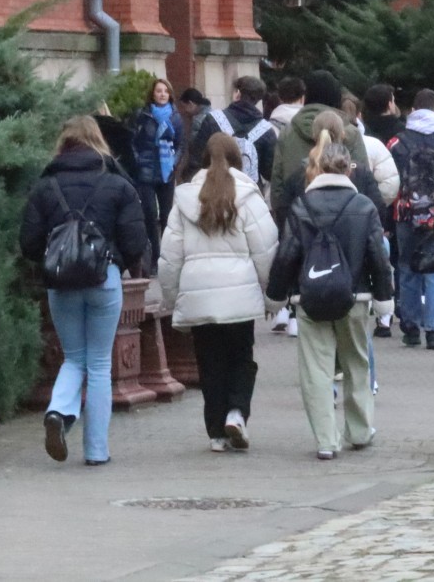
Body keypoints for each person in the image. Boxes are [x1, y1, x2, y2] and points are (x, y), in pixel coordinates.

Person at [19, 116, 148, 465]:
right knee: (100, 363)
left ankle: (59, 411)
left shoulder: (45, 187)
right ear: (97, 142)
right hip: (103, 278)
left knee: (74, 357)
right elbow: (136, 240)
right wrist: (116, 262)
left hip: (60, 282)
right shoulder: (117, 184)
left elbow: (29, 242)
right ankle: (96, 451)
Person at [265, 126, 394, 460]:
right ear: (349, 169)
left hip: (310, 298)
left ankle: (326, 439)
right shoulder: (364, 206)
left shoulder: (301, 205)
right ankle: (360, 430)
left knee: (316, 370)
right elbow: (378, 256)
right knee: (356, 364)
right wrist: (384, 298)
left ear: (318, 168)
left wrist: (276, 295)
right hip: (355, 297)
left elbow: (287, 253)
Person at [159, 133, 278, 452]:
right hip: (240, 297)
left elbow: (170, 257)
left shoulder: (183, 199)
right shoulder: (249, 198)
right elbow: (265, 251)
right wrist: (271, 297)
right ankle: (237, 413)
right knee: (241, 357)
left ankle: (215, 432)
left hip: (199, 297)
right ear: (238, 159)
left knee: (209, 363)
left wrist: (172, 300)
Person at [271, 112, 389, 337]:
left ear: (314, 135)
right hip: (355, 282)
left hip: (310, 282)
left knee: (317, 357)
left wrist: (278, 293)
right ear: (343, 134)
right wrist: (383, 293)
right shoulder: (360, 173)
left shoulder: (299, 175)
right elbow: (378, 214)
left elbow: (286, 224)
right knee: (357, 356)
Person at [388, 89, 434, 350]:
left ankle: (411, 327)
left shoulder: (397, 142)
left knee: (406, 267)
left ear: (413, 110)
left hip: (406, 213)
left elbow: (389, 180)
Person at [269, 69, 370, 220]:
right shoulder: (351, 133)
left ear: (305, 97)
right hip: (347, 219)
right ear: (336, 97)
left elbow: (277, 186)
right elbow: (363, 180)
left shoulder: (287, 133)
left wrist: (284, 221)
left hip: (298, 218)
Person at [358, 84, 401, 337]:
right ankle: (387, 309)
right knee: (386, 257)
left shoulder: (363, 135)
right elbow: (390, 180)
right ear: (389, 103)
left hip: (362, 204)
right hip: (386, 205)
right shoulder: (398, 132)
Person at [187, 75, 278, 190]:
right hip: (249, 192)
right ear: (259, 99)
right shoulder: (266, 130)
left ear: (238, 93)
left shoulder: (213, 119)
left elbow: (196, 160)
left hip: (215, 190)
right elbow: (269, 171)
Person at [130, 78, 183, 262]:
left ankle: (167, 256)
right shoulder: (143, 115)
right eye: (159, 91)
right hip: (145, 170)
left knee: (167, 215)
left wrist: (174, 163)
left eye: (165, 91)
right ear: (153, 94)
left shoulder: (175, 117)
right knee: (150, 215)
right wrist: (138, 161)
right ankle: (153, 256)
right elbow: (133, 141)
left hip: (166, 171)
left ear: (170, 95)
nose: (162, 94)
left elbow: (179, 145)